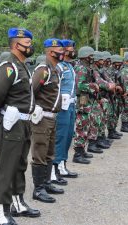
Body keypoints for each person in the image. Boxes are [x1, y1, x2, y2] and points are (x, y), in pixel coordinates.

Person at [0, 28, 40, 225]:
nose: (30, 46)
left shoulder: (22, 66)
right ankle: (3, 213)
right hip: (12, 123)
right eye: (27, 43)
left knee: (20, 165)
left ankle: (19, 203)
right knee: (7, 167)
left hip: (24, 123)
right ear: (15, 45)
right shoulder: (8, 66)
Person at [31, 38, 65, 204]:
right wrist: (34, 109)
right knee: (40, 153)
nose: (63, 52)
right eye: (59, 49)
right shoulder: (43, 70)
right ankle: (38, 189)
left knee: (50, 152)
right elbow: (31, 91)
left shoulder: (55, 69)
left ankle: (46, 183)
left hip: (51, 117)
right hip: (42, 117)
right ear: (51, 51)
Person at [51, 39, 78, 185]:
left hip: (71, 106)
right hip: (62, 107)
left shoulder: (70, 66)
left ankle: (62, 165)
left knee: (68, 136)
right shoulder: (59, 67)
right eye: (70, 48)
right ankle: (54, 168)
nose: (73, 50)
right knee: (59, 137)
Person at [73, 46, 98, 164]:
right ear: (86, 57)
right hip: (82, 100)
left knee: (86, 125)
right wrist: (93, 86)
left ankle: (82, 150)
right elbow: (80, 85)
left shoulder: (86, 68)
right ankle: (78, 154)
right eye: (91, 56)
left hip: (86, 99)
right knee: (81, 126)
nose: (93, 58)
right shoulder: (82, 68)